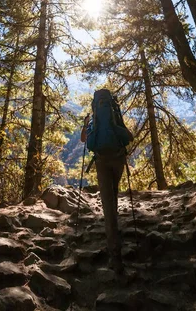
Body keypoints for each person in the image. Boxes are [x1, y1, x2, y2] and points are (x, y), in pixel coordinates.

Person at [81, 89, 133, 273]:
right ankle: (115, 230)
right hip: (118, 159)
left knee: (107, 204)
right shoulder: (114, 112)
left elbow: (84, 140)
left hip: (102, 160)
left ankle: (115, 255)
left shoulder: (94, 116)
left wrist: (85, 124)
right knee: (113, 194)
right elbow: (126, 135)